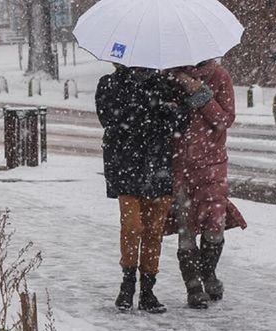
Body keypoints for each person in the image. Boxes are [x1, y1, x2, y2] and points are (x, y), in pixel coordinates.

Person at [96, 64, 188, 314]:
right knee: (132, 226)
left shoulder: (163, 85)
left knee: (154, 231)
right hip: (126, 166)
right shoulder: (109, 84)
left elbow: (179, 125)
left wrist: (178, 108)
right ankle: (127, 286)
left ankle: (148, 290)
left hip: (157, 165)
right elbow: (111, 120)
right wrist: (149, 110)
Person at [166, 58, 246, 309]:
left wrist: (198, 92)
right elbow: (164, 122)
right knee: (186, 228)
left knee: (214, 225)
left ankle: (208, 273)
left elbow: (224, 119)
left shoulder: (219, 76)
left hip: (212, 164)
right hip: (180, 165)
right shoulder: (169, 78)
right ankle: (193, 287)